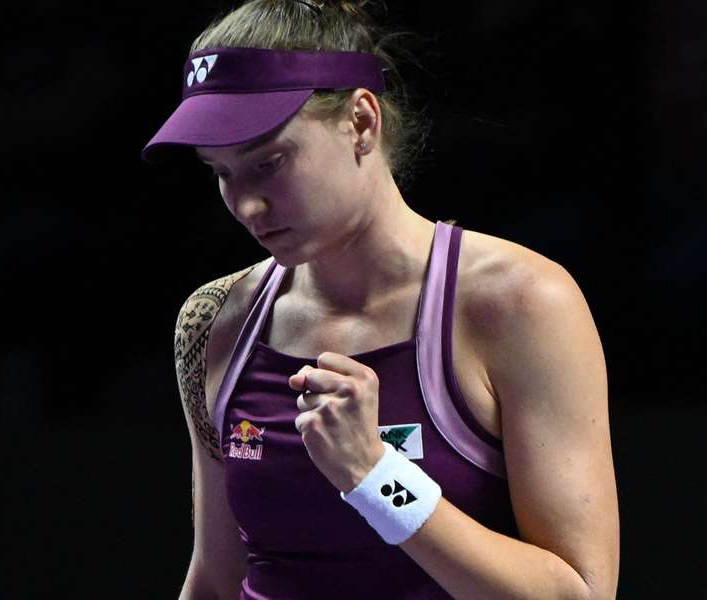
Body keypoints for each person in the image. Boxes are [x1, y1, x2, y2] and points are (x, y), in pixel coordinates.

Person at [143, 1, 620, 598]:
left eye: (268, 162)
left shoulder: (521, 303)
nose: (246, 206)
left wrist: (376, 476)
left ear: (362, 123)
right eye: (220, 171)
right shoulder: (216, 318)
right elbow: (215, 579)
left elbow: (580, 593)